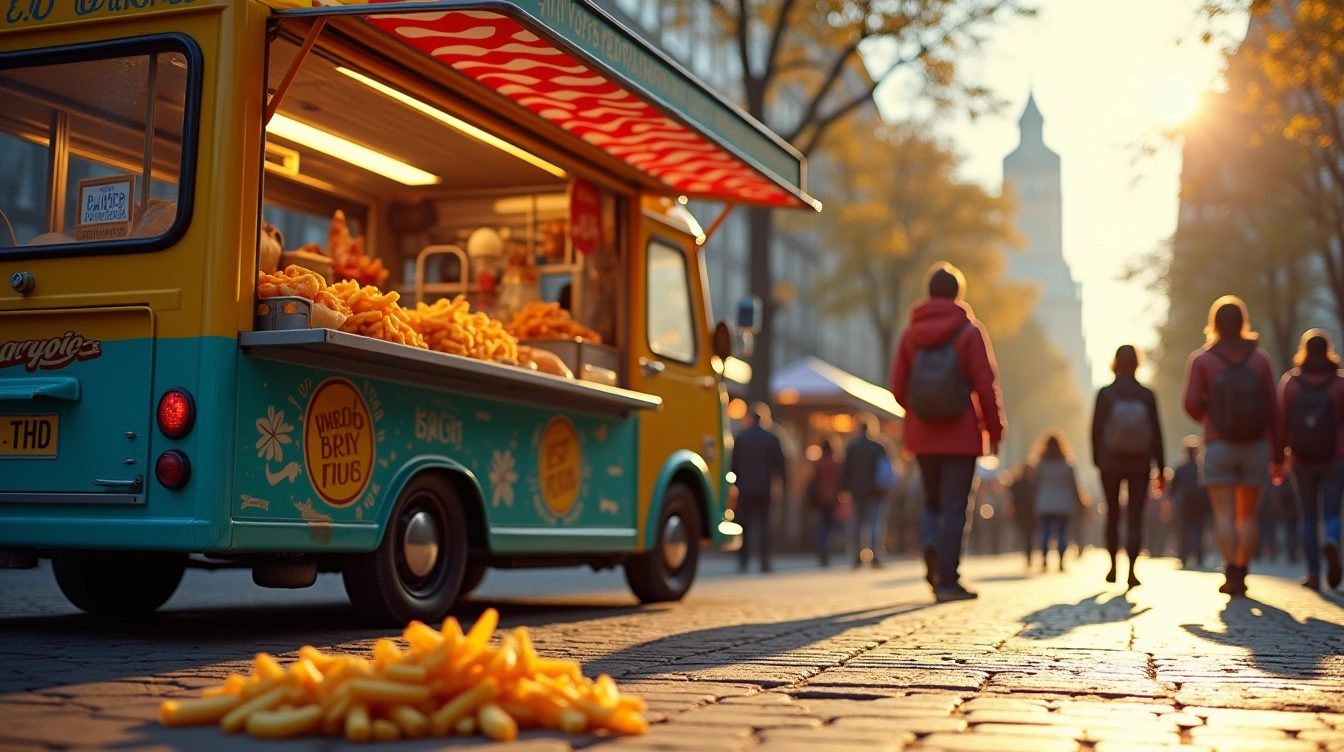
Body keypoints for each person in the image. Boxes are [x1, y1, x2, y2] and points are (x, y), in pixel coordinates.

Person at [890, 262, 1006, 602]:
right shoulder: (970, 331)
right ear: (959, 293)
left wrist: (919, 412)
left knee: (932, 502)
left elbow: (897, 388)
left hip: (922, 436)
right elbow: (986, 385)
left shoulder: (910, 334)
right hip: (962, 436)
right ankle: (948, 579)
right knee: (956, 506)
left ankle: (929, 542)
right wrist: (995, 431)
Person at [1181, 296, 1282, 596]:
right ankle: (1243, 570)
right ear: (1243, 323)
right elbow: (1275, 409)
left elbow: (1189, 403)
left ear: (1214, 324)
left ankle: (1230, 573)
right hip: (1256, 445)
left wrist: (1210, 417)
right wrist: (1278, 454)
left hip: (1219, 444)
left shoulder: (1202, 360)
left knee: (1223, 514)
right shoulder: (1260, 359)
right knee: (1247, 515)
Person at [1090, 344, 1166, 589]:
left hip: (1110, 462)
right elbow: (1156, 432)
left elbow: (1095, 429)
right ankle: (1132, 571)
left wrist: (1097, 459)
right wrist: (1161, 467)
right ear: (1137, 363)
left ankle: (1112, 567)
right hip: (1140, 462)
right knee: (1135, 516)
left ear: (1115, 363)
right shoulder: (1146, 394)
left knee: (1113, 514)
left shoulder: (1105, 393)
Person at [1277, 329, 1344, 590]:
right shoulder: (1339, 383)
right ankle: (1331, 539)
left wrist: (1279, 456)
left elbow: (1281, 422)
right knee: (1331, 512)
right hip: (1335, 457)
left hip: (1301, 458)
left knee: (1307, 516)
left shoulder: (1291, 383)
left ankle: (1313, 574)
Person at [730, 403, 787, 573]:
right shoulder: (772, 437)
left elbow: (733, 465)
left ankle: (743, 560)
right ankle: (765, 561)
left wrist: (736, 483)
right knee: (765, 525)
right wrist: (784, 486)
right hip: (764, 488)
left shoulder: (741, 437)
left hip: (745, 488)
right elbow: (781, 466)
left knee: (744, 524)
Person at [842, 413, 891, 568]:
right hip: (876, 490)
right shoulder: (878, 447)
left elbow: (845, 471)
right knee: (875, 523)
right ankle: (876, 554)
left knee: (857, 523)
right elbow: (885, 470)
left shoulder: (852, 447)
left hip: (856, 491)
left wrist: (843, 488)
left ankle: (857, 554)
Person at [1030, 432, 1083, 572]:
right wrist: (1079, 503)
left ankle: (1045, 559)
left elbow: (1033, 484)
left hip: (1044, 503)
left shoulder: (1040, 465)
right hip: (1064, 504)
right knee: (1062, 533)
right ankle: (1060, 560)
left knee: (1045, 532)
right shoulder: (1068, 465)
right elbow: (1074, 486)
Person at [1170, 436, 1211, 568]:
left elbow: (1172, 489)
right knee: (1199, 529)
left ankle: (1184, 555)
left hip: (1184, 503)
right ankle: (1198, 555)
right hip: (1200, 504)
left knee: (1183, 529)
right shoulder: (1202, 469)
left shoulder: (1180, 468)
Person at [807, 438, 844, 567]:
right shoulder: (835, 464)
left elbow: (812, 479)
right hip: (832, 498)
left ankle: (821, 547)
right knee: (829, 526)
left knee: (822, 525)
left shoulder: (818, 463)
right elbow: (840, 482)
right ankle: (827, 548)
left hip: (820, 498)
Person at [1009, 463, 1037, 568]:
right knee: (1030, 535)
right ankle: (1029, 553)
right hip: (1031, 512)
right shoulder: (1034, 483)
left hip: (1020, 512)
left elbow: (1011, 495)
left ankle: (1028, 553)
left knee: (1026, 535)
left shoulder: (1017, 483)